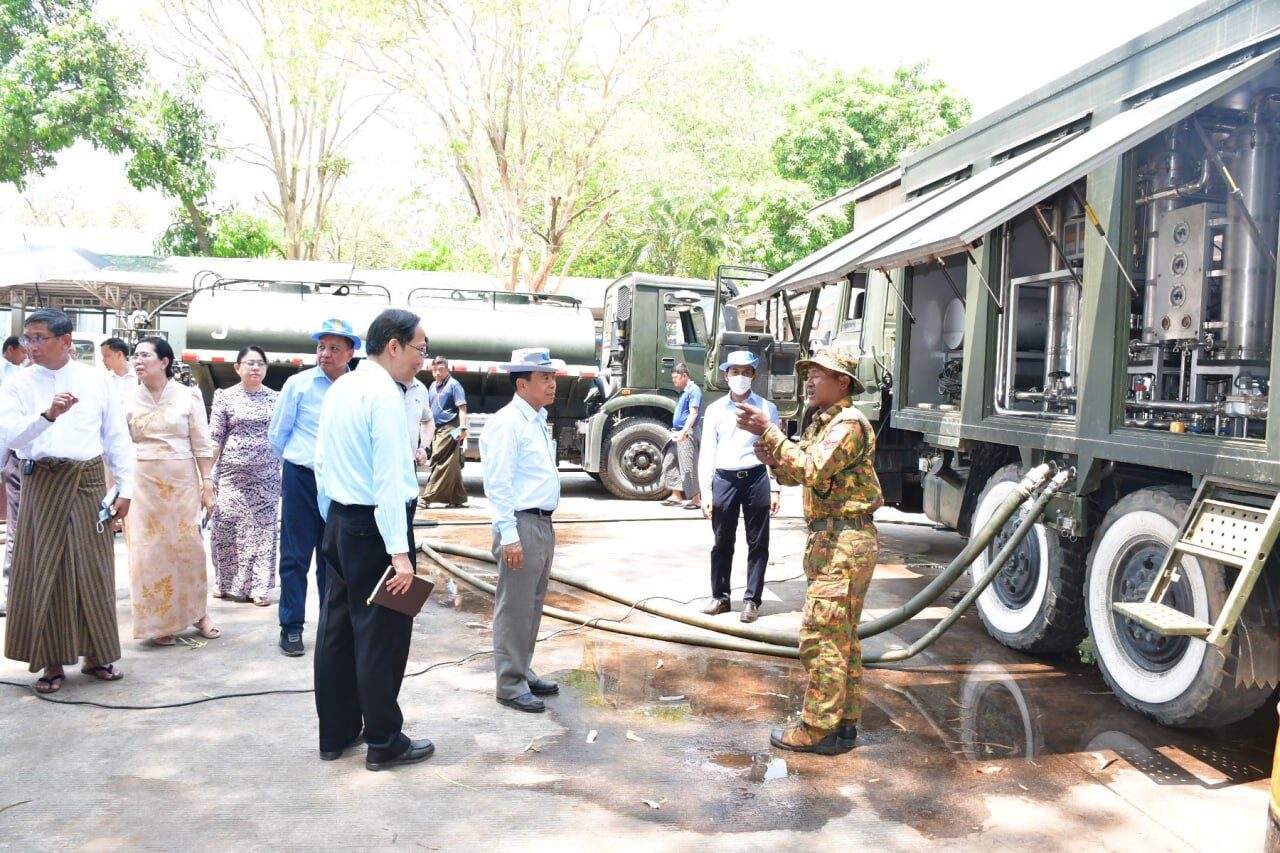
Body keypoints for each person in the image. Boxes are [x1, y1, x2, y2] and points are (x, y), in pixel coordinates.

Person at [737, 347, 882, 755]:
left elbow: (813, 467)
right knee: (843, 638)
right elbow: (800, 469)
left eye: (820, 374)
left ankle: (818, 729)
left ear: (843, 383)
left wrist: (770, 431)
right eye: (809, 373)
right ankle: (844, 723)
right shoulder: (826, 422)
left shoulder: (848, 424)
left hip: (844, 543)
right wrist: (773, 458)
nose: (810, 380)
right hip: (832, 541)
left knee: (821, 638)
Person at [313, 308, 433, 771]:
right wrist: (399, 555)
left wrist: (334, 521)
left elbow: (321, 461)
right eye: (419, 349)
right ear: (394, 345)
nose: (422, 359)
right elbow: (387, 479)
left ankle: (336, 734)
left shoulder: (343, 386)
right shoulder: (383, 395)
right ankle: (384, 740)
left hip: (341, 521)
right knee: (382, 636)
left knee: (336, 632)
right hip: (378, 529)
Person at [0, 308, 133, 692]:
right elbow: (10, 436)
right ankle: (51, 663)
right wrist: (48, 415)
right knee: (45, 571)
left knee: (92, 570)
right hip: (41, 481)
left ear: (66, 341)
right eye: (28, 338)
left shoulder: (96, 380)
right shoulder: (18, 383)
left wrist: (126, 489)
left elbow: (116, 437)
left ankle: (96, 657)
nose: (32, 346)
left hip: (88, 480)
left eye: (40, 338)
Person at [480, 347, 563, 713]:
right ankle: (510, 684)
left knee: (531, 604)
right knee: (514, 606)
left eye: (552, 378)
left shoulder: (535, 419)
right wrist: (509, 534)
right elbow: (498, 484)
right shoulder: (507, 423)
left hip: (542, 522)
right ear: (521, 383)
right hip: (522, 523)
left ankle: (521, 668)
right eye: (544, 378)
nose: (552, 385)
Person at [269, 319, 357, 657]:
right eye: (321, 346)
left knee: (333, 558)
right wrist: (301, 464)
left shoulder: (356, 388)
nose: (325, 354)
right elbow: (278, 435)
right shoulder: (298, 385)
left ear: (350, 352)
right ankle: (291, 627)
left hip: (339, 483)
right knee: (295, 555)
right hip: (302, 478)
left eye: (335, 348)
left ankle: (329, 628)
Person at [124, 336, 220, 646]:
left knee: (187, 548)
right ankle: (158, 623)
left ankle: (198, 613)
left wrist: (207, 484)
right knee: (148, 552)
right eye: (135, 356)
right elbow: (117, 445)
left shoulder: (187, 396)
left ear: (164, 362)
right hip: (142, 480)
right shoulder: (126, 397)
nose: (138, 361)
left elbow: (202, 443)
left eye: (145, 356)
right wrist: (116, 491)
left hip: (181, 481)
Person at [697, 350, 780, 624]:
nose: (741, 377)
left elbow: (775, 449)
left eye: (746, 372)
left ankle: (751, 600)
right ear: (726, 375)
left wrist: (775, 486)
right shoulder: (715, 410)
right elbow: (707, 452)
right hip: (725, 479)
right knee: (722, 541)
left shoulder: (767, 409)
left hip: (756, 477)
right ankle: (720, 596)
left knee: (758, 543)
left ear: (754, 375)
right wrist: (706, 493)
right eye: (735, 372)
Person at [209, 346, 280, 606]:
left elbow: (281, 437)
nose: (255, 368)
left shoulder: (276, 398)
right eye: (249, 363)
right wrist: (206, 474)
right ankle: (224, 582)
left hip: (266, 476)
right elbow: (215, 437)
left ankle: (258, 588)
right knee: (225, 528)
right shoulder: (224, 397)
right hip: (230, 477)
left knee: (263, 532)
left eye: (260, 363)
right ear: (237, 368)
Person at [0, 337, 27, 616]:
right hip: (19, 464)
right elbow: (7, 430)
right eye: (29, 341)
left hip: (62, 472)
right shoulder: (15, 382)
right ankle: (12, 593)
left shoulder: (82, 382)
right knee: (17, 533)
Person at [421, 356, 468, 508]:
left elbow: (462, 408)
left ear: (447, 369)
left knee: (439, 459)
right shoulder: (433, 386)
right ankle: (457, 497)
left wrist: (463, 427)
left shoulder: (454, 385)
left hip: (451, 428)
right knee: (451, 462)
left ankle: (426, 498)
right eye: (434, 370)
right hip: (436, 427)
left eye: (440, 370)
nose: (437, 374)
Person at [661, 362, 702, 509]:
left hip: (687, 432)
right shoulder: (683, 391)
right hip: (677, 432)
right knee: (669, 460)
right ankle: (676, 495)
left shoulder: (693, 390)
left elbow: (694, 413)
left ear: (685, 375)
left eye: (676, 377)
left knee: (688, 465)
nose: (674, 380)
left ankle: (696, 499)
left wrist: (684, 431)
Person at [404, 373, 434, 474]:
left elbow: (427, 420)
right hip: (382, 464)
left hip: (410, 464)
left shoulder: (420, 388)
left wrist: (423, 448)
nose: (420, 360)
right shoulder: (382, 384)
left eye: (422, 355)